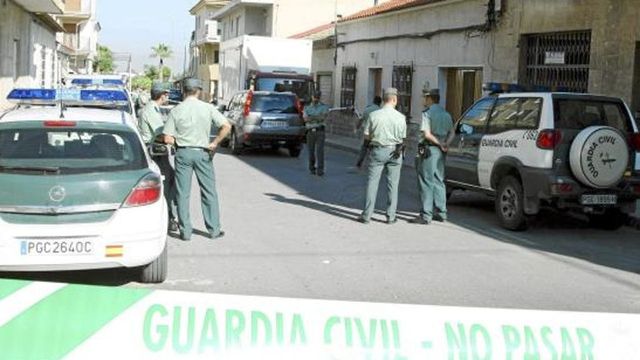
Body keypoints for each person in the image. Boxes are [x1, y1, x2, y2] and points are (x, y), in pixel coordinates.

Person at [162, 78, 232, 241]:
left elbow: (167, 138)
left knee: (182, 193)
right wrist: (214, 143)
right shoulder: (208, 108)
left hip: (184, 153)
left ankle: (185, 232)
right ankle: (214, 229)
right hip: (203, 153)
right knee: (209, 191)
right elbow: (226, 126)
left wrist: (180, 141)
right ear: (198, 91)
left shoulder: (176, 110)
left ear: (184, 91)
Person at [359, 88, 407, 225]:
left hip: (378, 150)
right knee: (393, 185)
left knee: (372, 183)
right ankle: (391, 216)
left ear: (384, 99)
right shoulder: (401, 117)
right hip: (396, 152)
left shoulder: (374, 115)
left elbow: (366, 135)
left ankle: (367, 215)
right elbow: (403, 138)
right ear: (394, 99)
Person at [410, 88, 454, 225]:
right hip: (441, 151)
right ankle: (442, 212)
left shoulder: (427, 114)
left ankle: (426, 214)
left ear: (430, 99)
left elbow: (427, 134)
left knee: (425, 180)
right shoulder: (446, 114)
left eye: (425, 98)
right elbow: (452, 132)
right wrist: (446, 143)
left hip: (429, 149)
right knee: (439, 180)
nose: (424, 100)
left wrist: (440, 143)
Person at [138, 83, 179, 232]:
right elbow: (162, 135)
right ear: (162, 95)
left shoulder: (152, 109)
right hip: (154, 152)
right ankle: (168, 218)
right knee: (167, 183)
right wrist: (179, 141)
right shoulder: (151, 111)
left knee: (169, 179)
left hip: (155, 150)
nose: (167, 97)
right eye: (166, 94)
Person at [303, 91, 331, 176]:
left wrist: (311, 117)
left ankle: (320, 170)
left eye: (317, 97)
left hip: (320, 131)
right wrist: (317, 117)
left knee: (320, 151)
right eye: (315, 96)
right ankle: (312, 168)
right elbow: (305, 119)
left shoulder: (324, 107)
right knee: (311, 152)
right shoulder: (307, 107)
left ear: (319, 97)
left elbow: (323, 117)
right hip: (310, 132)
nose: (316, 98)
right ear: (312, 97)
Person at [356, 96, 382, 168]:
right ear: (380, 103)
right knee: (375, 148)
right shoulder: (380, 111)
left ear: (373, 101)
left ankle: (360, 161)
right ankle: (375, 162)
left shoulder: (367, 109)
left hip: (367, 132)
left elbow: (361, 119)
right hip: (376, 133)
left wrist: (357, 127)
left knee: (364, 147)